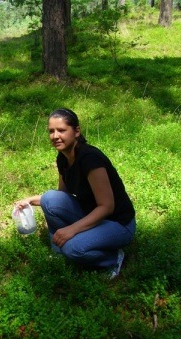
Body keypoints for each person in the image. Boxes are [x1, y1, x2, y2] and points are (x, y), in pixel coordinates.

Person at [16, 108, 136, 278]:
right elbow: (61, 197)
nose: (55, 136)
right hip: (92, 215)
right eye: (51, 131)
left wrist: (71, 230)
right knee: (50, 198)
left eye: (61, 130)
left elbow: (107, 207)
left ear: (77, 131)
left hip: (118, 223)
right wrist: (30, 200)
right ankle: (58, 252)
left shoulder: (90, 159)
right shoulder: (63, 157)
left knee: (73, 249)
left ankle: (113, 258)